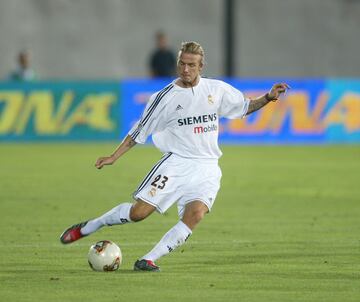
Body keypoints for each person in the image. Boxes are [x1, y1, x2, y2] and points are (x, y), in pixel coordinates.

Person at [60, 41, 289, 272]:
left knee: (196, 214)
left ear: (201, 66)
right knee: (138, 214)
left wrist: (269, 97)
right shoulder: (165, 98)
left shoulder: (216, 89)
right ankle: (92, 226)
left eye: (191, 65)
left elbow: (244, 107)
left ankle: (148, 259)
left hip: (208, 167)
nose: (185, 69)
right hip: (176, 164)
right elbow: (139, 131)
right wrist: (114, 156)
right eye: (182, 64)